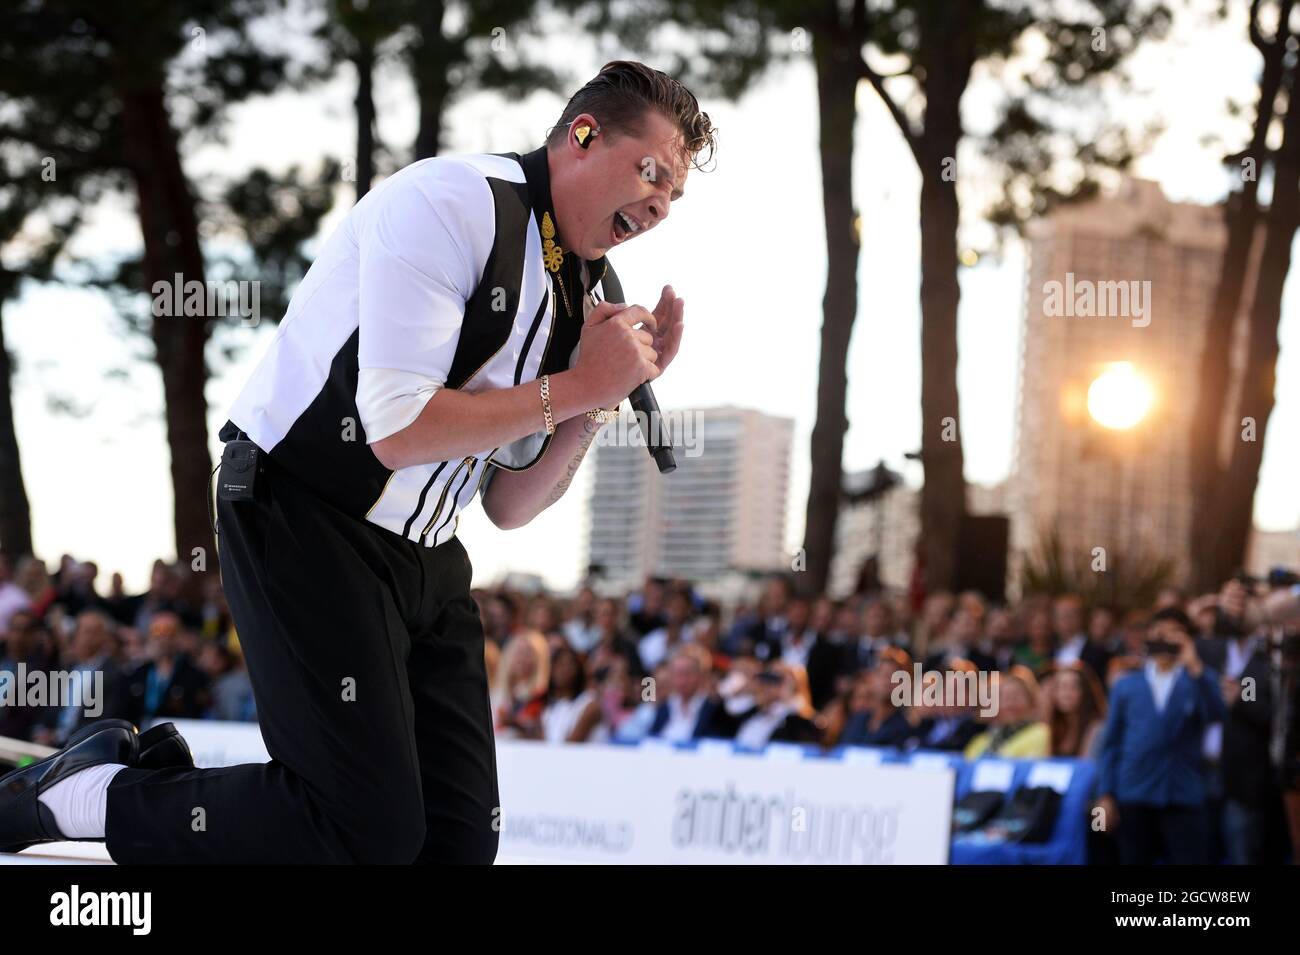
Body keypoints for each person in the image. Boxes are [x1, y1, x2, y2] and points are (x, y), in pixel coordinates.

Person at [0, 61, 713, 863]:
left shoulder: (585, 286)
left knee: (456, 843)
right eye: (650, 171)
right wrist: (580, 381)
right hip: (305, 506)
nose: (658, 203)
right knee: (363, 827)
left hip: (428, 552)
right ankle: (85, 796)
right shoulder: (454, 201)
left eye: (673, 195)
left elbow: (510, 505)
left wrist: (598, 399)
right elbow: (397, 429)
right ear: (582, 135)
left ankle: (130, 782)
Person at [1094, 607, 1227, 865]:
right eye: (1159, 633)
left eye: (1174, 633)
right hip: (1134, 792)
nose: (1165, 640)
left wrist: (1194, 665)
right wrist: (1105, 794)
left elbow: (1217, 714)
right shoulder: (1127, 684)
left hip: (1183, 793)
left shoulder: (1198, 678)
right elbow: (1111, 744)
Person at [964, 667, 1050, 759]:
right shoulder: (981, 740)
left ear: (1031, 702)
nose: (1010, 703)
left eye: (1016, 696)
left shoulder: (1043, 733)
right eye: (1004, 698)